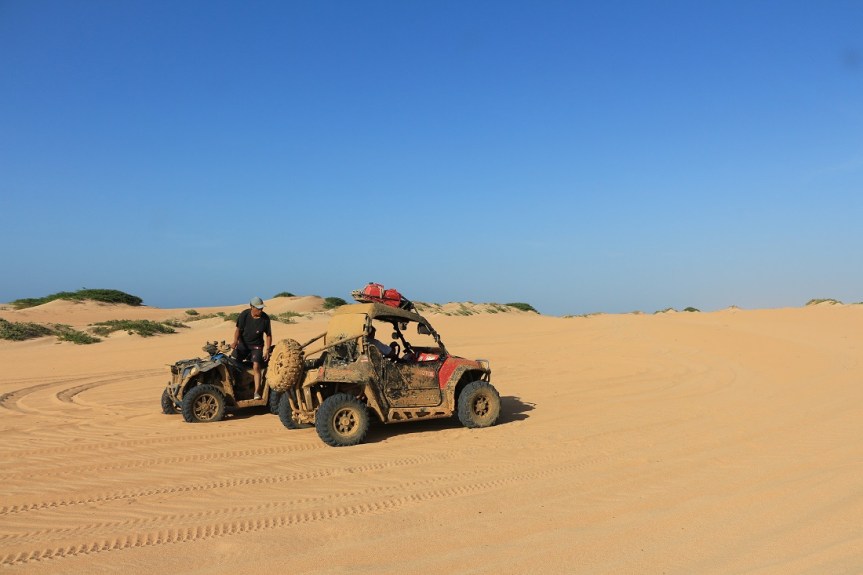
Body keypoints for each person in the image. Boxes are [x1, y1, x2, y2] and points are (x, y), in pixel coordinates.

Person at [232, 296, 272, 400]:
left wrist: (267, 350)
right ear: (252, 307)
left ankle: (256, 392)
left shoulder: (265, 319)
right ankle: (235, 388)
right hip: (243, 344)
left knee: (256, 366)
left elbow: (268, 335)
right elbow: (238, 330)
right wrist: (235, 341)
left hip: (257, 346)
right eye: (258, 308)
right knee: (233, 363)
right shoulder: (244, 315)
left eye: (261, 308)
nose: (260, 310)